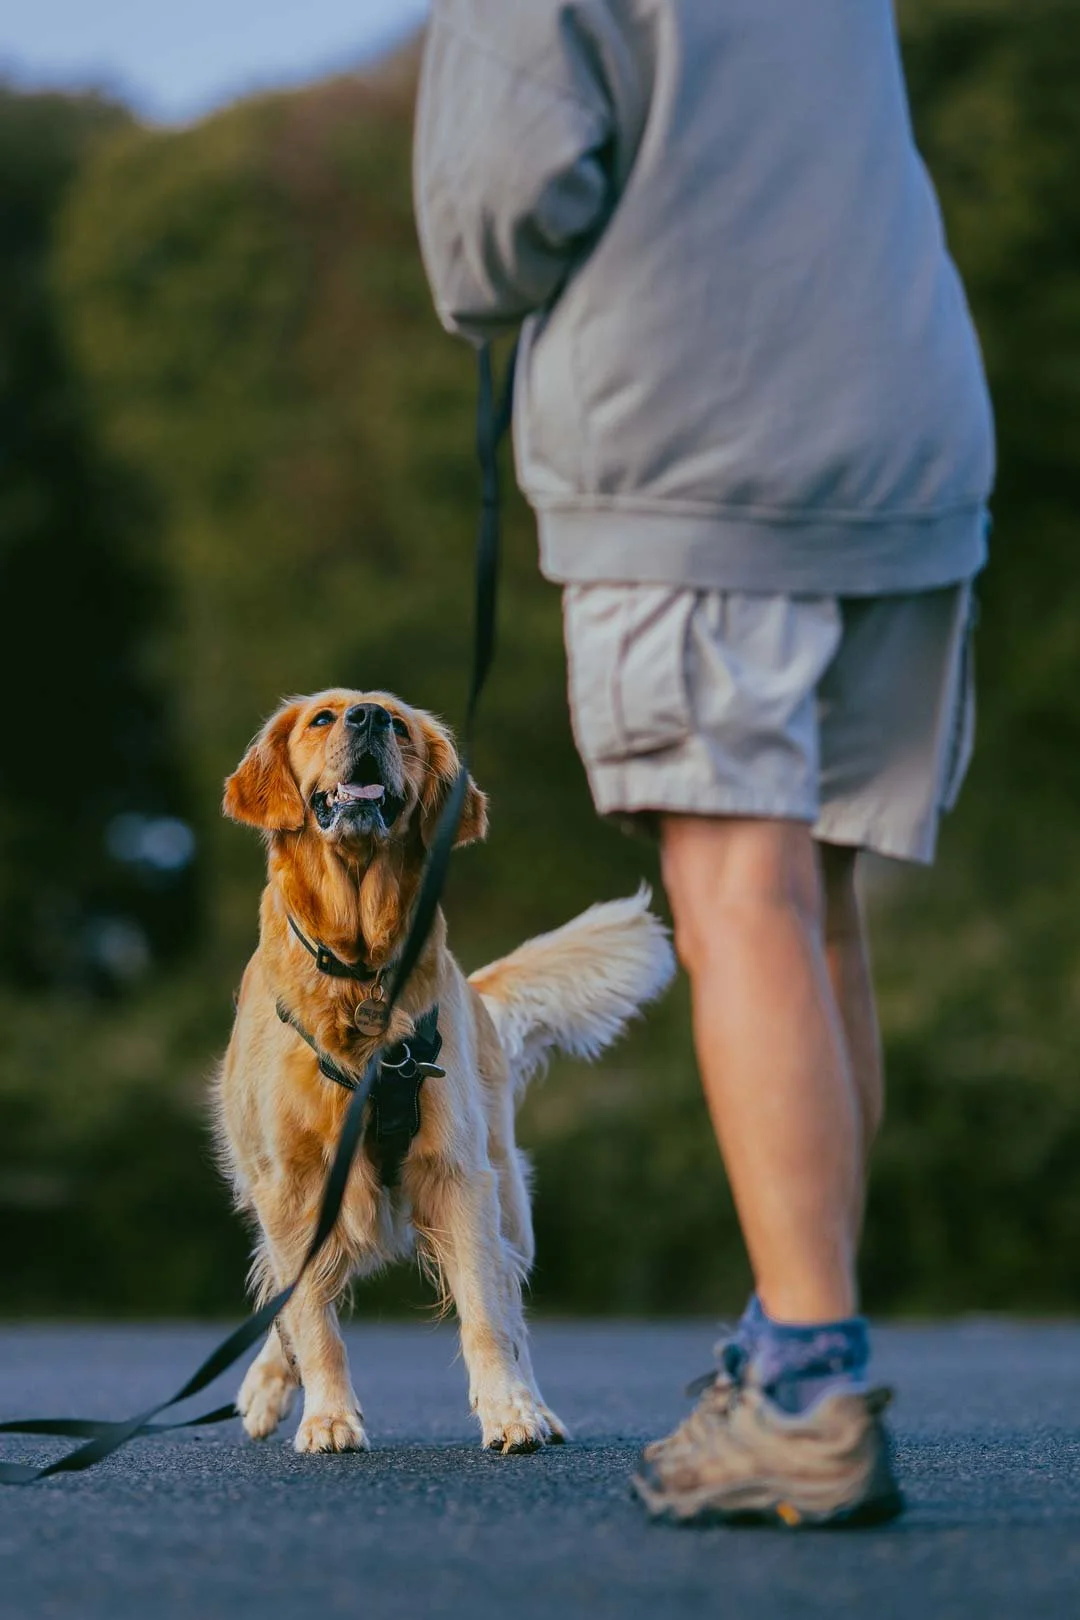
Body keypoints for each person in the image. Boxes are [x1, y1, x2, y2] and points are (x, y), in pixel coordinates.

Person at [413, 0, 993, 1528]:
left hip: (701, 449)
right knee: (818, 906)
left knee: (737, 896)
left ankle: (802, 1388)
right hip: (911, 433)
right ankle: (794, 1342)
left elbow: (491, 216)